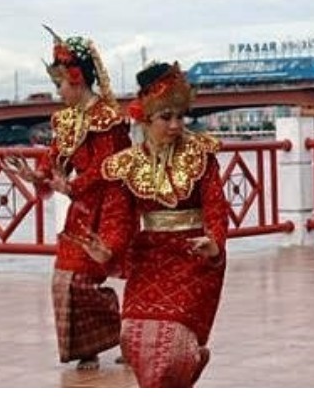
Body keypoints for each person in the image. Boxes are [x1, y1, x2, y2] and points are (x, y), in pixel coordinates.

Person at [85, 62, 229, 388]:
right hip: (149, 256)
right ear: (146, 118)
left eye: (180, 117)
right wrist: (107, 248)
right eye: (166, 117)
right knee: (133, 335)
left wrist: (214, 242)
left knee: (173, 343)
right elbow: (119, 219)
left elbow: (216, 206)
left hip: (194, 255)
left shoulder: (201, 155)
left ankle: (183, 367)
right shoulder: (127, 165)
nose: (176, 125)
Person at [3, 27, 130, 370]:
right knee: (64, 279)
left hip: (112, 207)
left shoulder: (108, 119)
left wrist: (70, 187)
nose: (58, 91)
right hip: (83, 207)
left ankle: (127, 333)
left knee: (87, 279)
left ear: (76, 79)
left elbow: (109, 167)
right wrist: (37, 175)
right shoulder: (66, 121)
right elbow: (55, 161)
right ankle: (90, 347)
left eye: (59, 83)